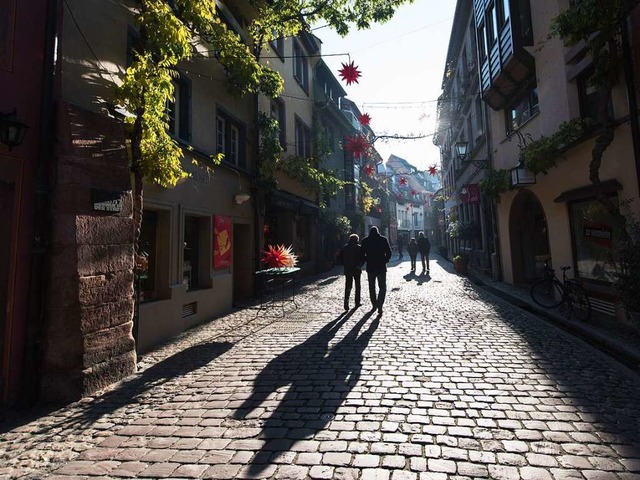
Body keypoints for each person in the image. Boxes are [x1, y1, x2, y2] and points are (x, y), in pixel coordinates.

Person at [360, 226, 392, 315]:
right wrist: (385, 260)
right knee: (382, 287)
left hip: (371, 266)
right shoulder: (383, 239)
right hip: (381, 266)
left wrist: (367, 260)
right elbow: (389, 252)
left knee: (372, 286)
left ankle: (374, 304)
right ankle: (380, 304)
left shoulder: (365, 241)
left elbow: (362, 254)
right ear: (378, 231)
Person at [338, 234, 363, 310]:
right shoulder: (359, 248)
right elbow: (363, 258)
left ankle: (346, 300)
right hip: (357, 269)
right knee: (357, 286)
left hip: (348, 269)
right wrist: (360, 265)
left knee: (348, 286)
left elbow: (340, 257)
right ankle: (357, 302)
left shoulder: (345, 247)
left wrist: (344, 264)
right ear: (357, 240)